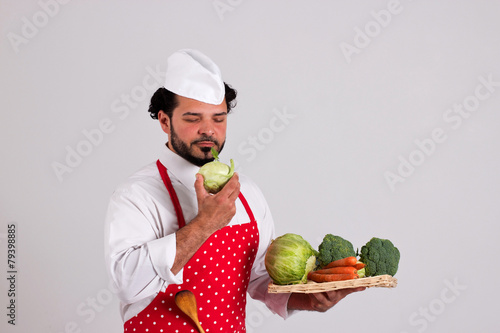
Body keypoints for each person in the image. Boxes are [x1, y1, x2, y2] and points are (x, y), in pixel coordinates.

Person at [104, 49, 364, 333]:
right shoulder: (138, 194)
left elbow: (261, 278)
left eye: (218, 118)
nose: (209, 130)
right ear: (165, 121)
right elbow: (127, 284)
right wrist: (205, 225)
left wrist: (309, 299)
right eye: (193, 119)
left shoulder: (248, 193)